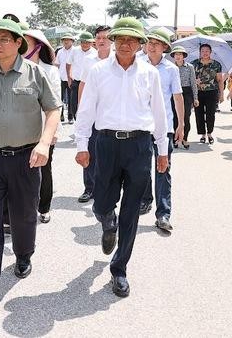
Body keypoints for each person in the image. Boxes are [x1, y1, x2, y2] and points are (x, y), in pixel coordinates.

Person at [0, 19, 60, 316]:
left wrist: (44, 143)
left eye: (4, 39)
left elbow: (53, 109)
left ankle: (23, 254)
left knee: (22, 216)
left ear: (19, 42)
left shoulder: (36, 74)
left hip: (26, 158)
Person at [75, 17, 168, 298]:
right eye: (121, 39)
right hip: (105, 144)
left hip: (139, 146)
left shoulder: (149, 74)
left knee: (132, 210)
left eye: (132, 39)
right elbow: (86, 108)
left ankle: (119, 269)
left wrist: (162, 151)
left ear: (141, 44)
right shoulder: (98, 71)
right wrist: (82, 144)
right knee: (103, 202)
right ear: (114, 41)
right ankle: (107, 221)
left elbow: (159, 114)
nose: (126, 44)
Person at [139, 29, 184, 232]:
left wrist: (180, 124)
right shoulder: (137, 63)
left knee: (163, 169)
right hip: (141, 125)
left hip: (164, 125)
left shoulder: (171, 69)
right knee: (141, 168)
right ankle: (145, 199)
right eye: (150, 42)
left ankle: (163, 214)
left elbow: (177, 97)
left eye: (158, 42)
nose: (152, 45)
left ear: (165, 47)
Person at [22, 29, 62, 223]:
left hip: (44, 130)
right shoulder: (16, 68)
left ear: (38, 47)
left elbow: (55, 105)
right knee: (20, 172)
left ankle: (44, 207)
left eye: (26, 43)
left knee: (43, 170)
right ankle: (19, 212)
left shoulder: (50, 71)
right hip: (21, 130)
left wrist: (53, 133)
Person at [76, 25, 113, 203]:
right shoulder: (89, 60)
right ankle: (89, 188)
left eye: (105, 37)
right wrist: (81, 109)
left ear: (112, 40)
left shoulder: (117, 60)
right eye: (98, 37)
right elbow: (82, 85)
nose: (101, 41)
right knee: (89, 150)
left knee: (109, 153)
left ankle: (107, 188)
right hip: (92, 113)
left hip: (110, 116)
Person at [191, 44, 224, 144]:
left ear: (210, 52)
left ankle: (209, 133)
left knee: (211, 114)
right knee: (198, 114)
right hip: (198, 93)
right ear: (200, 52)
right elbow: (190, 79)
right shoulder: (194, 64)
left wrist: (221, 94)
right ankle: (202, 134)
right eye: (202, 51)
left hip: (212, 92)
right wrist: (194, 81)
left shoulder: (216, 65)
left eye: (207, 51)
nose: (205, 53)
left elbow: (219, 80)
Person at [170, 45, 198, 148]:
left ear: (183, 56)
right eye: (176, 54)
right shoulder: (170, 67)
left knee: (186, 117)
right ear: (173, 56)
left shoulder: (190, 67)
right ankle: (175, 138)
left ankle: (185, 138)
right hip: (173, 93)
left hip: (186, 92)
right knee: (174, 117)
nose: (178, 56)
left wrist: (195, 98)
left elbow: (193, 83)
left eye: (180, 54)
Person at [66, 31, 96, 124]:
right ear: (80, 42)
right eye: (83, 42)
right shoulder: (74, 51)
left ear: (91, 43)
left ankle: (88, 125)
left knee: (89, 105)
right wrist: (69, 78)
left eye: (87, 42)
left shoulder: (95, 53)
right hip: (77, 82)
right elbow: (68, 64)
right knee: (74, 104)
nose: (85, 44)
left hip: (89, 84)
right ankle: (77, 123)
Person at [55, 33, 75, 122]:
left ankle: (70, 117)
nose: (66, 41)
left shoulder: (76, 51)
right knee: (59, 98)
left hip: (72, 78)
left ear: (72, 41)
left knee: (71, 99)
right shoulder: (60, 51)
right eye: (64, 40)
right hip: (61, 78)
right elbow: (57, 64)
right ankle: (61, 115)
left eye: (68, 40)